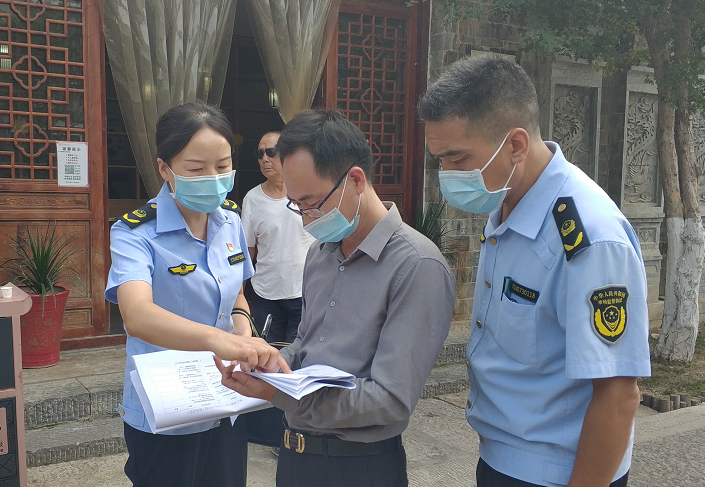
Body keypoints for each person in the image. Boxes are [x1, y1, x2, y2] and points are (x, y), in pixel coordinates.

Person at [419, 56, 651, 487]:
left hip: (557, 473)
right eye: (439, 161)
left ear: (516, 145)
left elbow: (618, 396)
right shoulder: (506, 201)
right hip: (500, 458)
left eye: (458, 159)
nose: (446, 176)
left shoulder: (588, 237)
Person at [215, 108, 456, 487]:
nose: (305, 219)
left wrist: (281, 395)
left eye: (312, 203)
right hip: (295, 456)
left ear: (355, 180)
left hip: (358, 466)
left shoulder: (416, 265)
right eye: (296, 205)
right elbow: (306, 346)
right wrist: (270, 364)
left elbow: (389, 400)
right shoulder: (320, 253)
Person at [105, 100, 289, 487]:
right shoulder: (134, 233)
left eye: (222, 166)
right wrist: (221, 342)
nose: (212, 178)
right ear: (165, 169)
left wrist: (243, 335)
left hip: (225, 396)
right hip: (166, 407)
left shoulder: (230, 221)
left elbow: (237, 297)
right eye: (196, 169)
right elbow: (137, 315)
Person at [242, 131, 315, 344]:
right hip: (266, 293)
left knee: (298, 353)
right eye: (260, 154)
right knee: (269, 352)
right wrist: (239, 297)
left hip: (305, 291)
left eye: (271, 152)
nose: (265, 159)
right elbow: (247, 250)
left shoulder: (309, 192)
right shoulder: (253, 199)